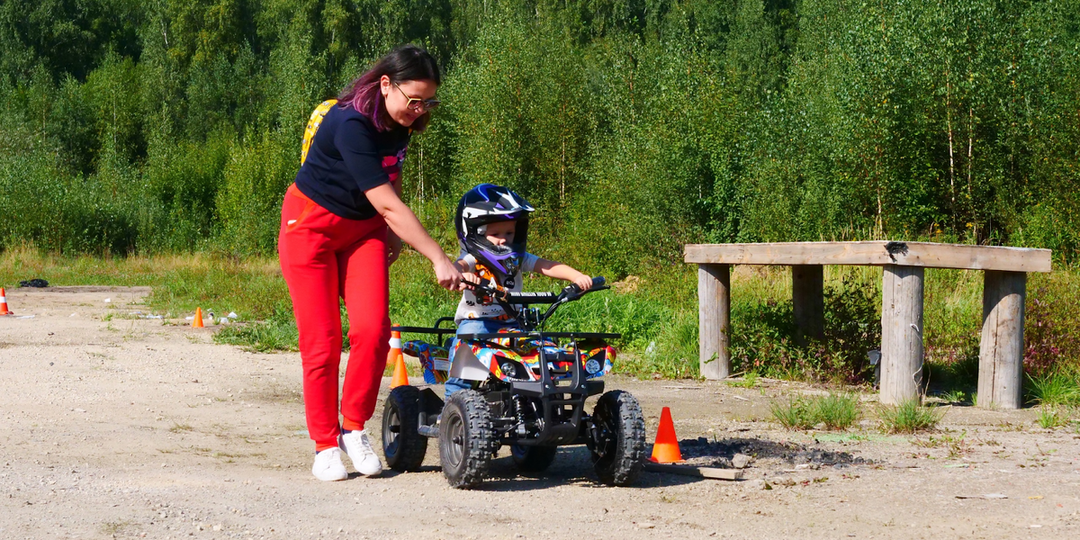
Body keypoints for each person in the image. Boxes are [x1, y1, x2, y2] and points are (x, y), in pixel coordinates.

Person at [278, 45, 462, 482]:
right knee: (322, 341)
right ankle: (324, 445)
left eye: (428, 102)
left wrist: (391, 237)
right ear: (385, 84)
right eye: (413, 100)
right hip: (310, 229)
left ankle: (352, 429)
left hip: (363, 232)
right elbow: (388, 203)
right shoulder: (350, 123)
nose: (419, 111)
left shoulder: (400, 122)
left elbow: (390, 175)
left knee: (374, 332)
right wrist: (438, 256)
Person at [443, 184, 594, 398]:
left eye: (509, 232)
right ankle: (451, 407)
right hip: (478, 323)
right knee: (463, 365)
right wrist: (462, 275)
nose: (503, 238)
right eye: (495, 233)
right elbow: (459, 266)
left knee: (544, 356)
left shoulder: (518, 258)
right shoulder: (473, 259)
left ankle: (542, 403)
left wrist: (576, 277)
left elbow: (546, 265)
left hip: (514, 324)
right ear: (474, 231)